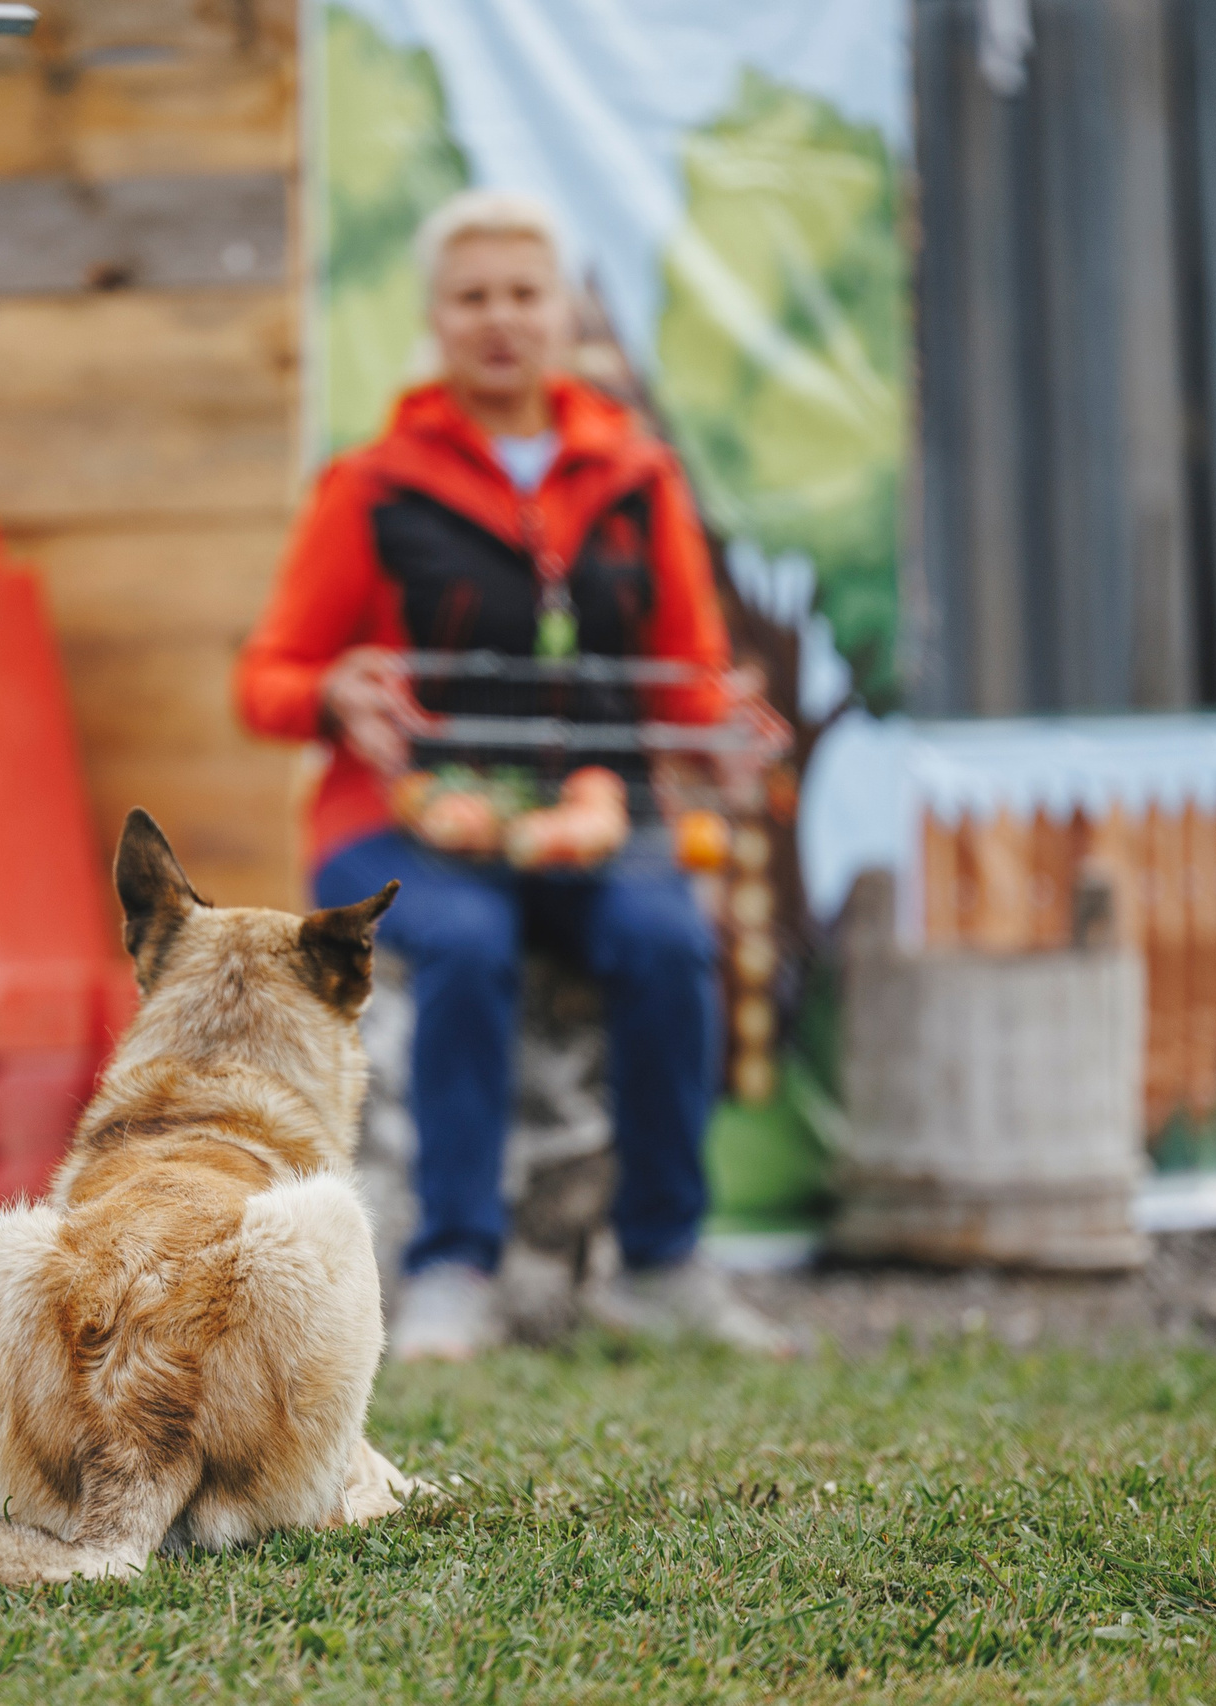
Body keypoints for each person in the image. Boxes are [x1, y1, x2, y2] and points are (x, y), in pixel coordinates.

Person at [234, 189, 792, 1361]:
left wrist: (727, 724)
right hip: (394, 828)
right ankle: (452, 1266)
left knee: (668, 940)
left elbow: (683, 676)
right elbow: (266, 679)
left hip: (594, 814)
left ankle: (663, 1259)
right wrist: (332, 691)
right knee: (470, 945)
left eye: (523, 293)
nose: (501, 318)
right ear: (434, 316)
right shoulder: (374, 483)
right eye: (472, 295)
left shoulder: (636, 477)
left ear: (562, 312)